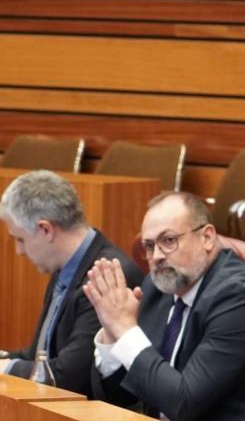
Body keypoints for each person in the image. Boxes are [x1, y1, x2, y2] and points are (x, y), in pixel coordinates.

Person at [84, 191, 245, 421]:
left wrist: (125, 330)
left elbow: (183, 404)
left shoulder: (241, 300)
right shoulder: (158, 288)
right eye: (149, 246)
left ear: (207, 237)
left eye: (169, 240)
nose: (157, 256)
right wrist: (111, 332)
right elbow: (119, 398)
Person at [0, 169, 143, 394]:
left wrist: (7, 368)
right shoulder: (63, 267)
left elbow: (72, 376)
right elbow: (40, 356)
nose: (19, 251)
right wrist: (7, 361)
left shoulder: (106, 276)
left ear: (45, 229)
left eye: (20, 239)